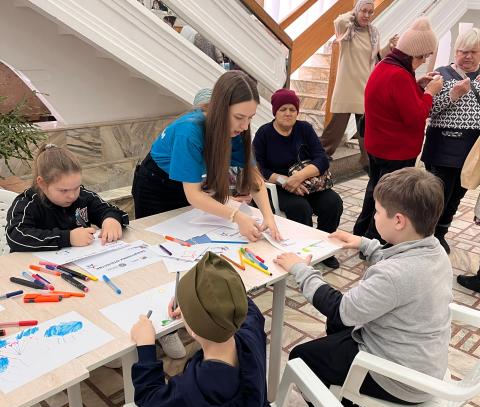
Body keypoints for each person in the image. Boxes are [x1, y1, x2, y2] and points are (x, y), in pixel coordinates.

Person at [274, 168, 452, 407]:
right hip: (423, 361)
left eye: (378, 211)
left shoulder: (394, 275)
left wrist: (300, 270)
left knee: (302, 358)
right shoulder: (434, 250)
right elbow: (398, 259)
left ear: (399, 221)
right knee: (337, 333)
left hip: (398, 378)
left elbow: (340, 309)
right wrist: (362, 243)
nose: (374, 215)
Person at [130, 252, 279, 407]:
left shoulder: (192, 390)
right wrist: (201, 303)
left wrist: (145, 345)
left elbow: (149, 398)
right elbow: (249, 310)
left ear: (191, 329)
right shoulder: (251, 335)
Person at [132, 70, 281, 242]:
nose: (245, 126)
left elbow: (254, 178)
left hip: (187, 187)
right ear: (220, 109)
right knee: (156, 241)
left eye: (250, 118)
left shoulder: (236, 132)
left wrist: (268, 217)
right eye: (239, 117)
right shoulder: (189, 132)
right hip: (156, 186)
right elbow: (194, 195)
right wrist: (237, 217)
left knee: (188, 240)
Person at [353, 17, 443, 241]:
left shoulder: (386, 65)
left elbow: (394, 100)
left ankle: (361, 233)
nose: (423, 61)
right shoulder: (400, 75)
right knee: (389, 199)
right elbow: (415, 117)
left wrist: (417, 85)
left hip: (378, 145)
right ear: (414, 54)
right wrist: (430, 92)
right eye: (423, 57)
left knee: (375, 191)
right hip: (395, 150)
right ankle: (374, 241)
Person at [253, 88, 343, 269]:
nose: (288, 113)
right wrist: (285, 181)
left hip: (307, 182)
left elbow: (322, 159)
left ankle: (324, 247)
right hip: (279, 186)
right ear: (275, 111)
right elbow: (260, 168)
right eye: (283, 109)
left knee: (333, 203)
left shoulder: (304, 129)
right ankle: (303, 251)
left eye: (292, 109)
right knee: (300, 208)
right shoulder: (264, 134)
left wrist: (298, 177)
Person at [6, 143, 128, 252]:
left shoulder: (84, 196)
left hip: (79, 262)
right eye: (63, 190)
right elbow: (15, 236)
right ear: (42, 183)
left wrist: (111, 220)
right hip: (34, 266)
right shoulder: (26, 203)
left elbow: (113, 211)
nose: (72, 195)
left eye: (76, 187)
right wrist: (68, 238)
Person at [320, 0, 397, 172]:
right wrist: (355, 12)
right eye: (363, 11)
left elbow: (377, 58)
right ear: (356, 10)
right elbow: (339, 20)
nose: (367, 15)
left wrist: (389, 47)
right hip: (346, 88)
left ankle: (370, 167)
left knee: (367, 136)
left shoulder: (373, 32)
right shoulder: (347, 29)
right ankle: (317, 160)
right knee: (333, 133)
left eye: (370, 12)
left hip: (365, 88)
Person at [421, 28, 480, 254]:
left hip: (470, 153)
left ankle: (440, 234)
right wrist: (453, 94)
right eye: (463, 51)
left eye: (473, 52)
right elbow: (427, 110)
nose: (468, 56)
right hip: (441, 149)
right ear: (456, 52)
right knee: (437, 197)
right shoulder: (441, 75)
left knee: (456, 197)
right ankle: (426, 237)